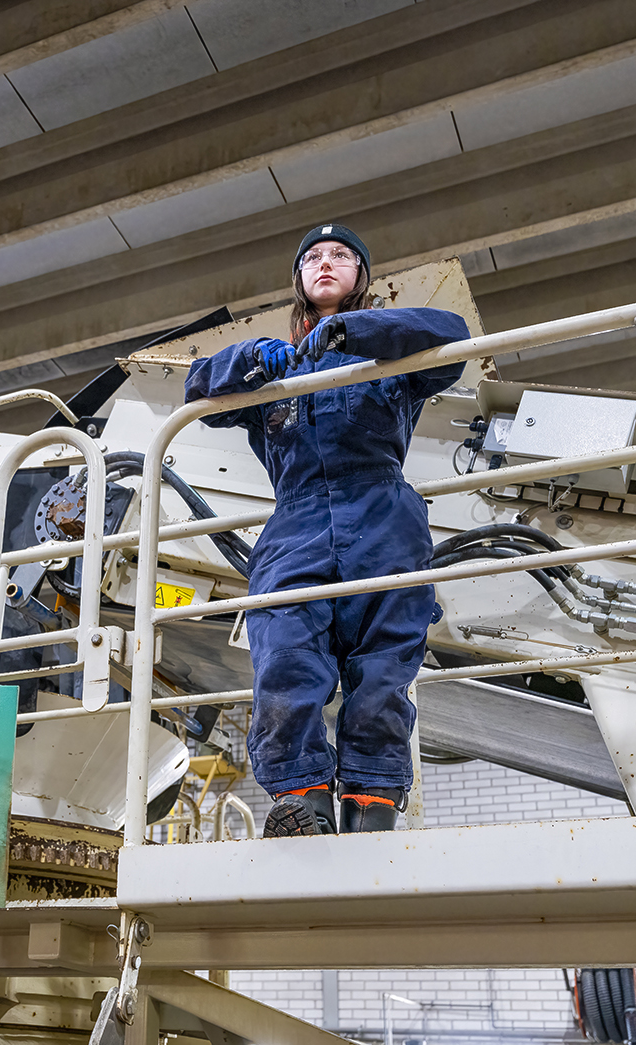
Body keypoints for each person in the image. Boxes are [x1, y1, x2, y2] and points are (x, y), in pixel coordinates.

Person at [183, 224, 470, 836]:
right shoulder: (273, 376)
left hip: (383, 516)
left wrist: (354, 333)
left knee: (384, 666)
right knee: (285, 650)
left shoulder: (393, 359)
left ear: (361, 277)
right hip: (297, 522)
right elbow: (197, 385)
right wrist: (255, 359)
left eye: (341, 256)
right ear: (299, 280)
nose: (326, 263)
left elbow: (454, 336)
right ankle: (302, 801)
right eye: (313, 257)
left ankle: (370, 810)